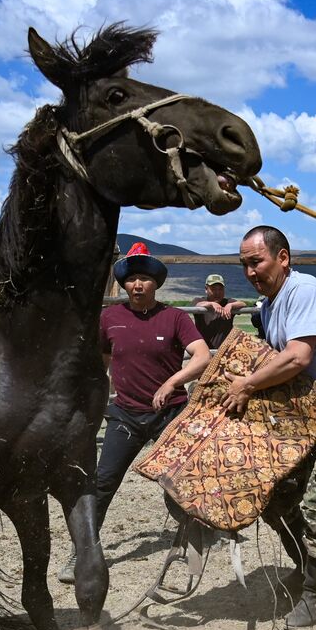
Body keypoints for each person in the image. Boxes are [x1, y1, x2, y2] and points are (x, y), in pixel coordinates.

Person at [231, 225, 316, 628]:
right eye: (244, 265)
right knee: (276, 496)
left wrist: (248, 385)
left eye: (256, 261)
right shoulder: (269, 303)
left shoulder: (302, 290)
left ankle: (315, 594)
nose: (251, 271)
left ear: (283, 257)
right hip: (302, 414)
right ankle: (305, 565)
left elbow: (297, 357)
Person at [59, 243, 210, 583]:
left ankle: (195, 534)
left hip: (170, 414)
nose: (138, 285)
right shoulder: (110, 319)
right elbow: (100, 362)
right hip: (125, 414)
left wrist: (173, 382)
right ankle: (81, 554)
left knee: (183, 481)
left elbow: (202, 357)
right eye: (132, 280)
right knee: (102, 483)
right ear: (124, 285)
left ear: (156, 284)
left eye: (144, 279)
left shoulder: (175, 317)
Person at [192, 273, 242, 350]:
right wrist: (211, 304)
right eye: (213, 289)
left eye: (220, 289)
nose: (217, 292)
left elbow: (242, 303)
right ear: (206, 289)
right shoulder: (199, 300)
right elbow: (197, 305)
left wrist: (230, 306)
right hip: (203, 349)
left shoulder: (227, 302)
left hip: (224, 351)